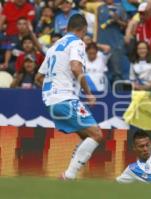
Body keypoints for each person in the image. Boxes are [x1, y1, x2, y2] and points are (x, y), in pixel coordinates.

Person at [37, 14, 103, 180]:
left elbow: (38, 78)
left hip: (51, 101)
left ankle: (69, 174)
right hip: (65, 98)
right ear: (83, 30)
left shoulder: (54, 47)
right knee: (96, 135)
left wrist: (52, 91)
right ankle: (69, 175)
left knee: (87, 136)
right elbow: (75, 67)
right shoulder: (77, 42)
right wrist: (89, 94)